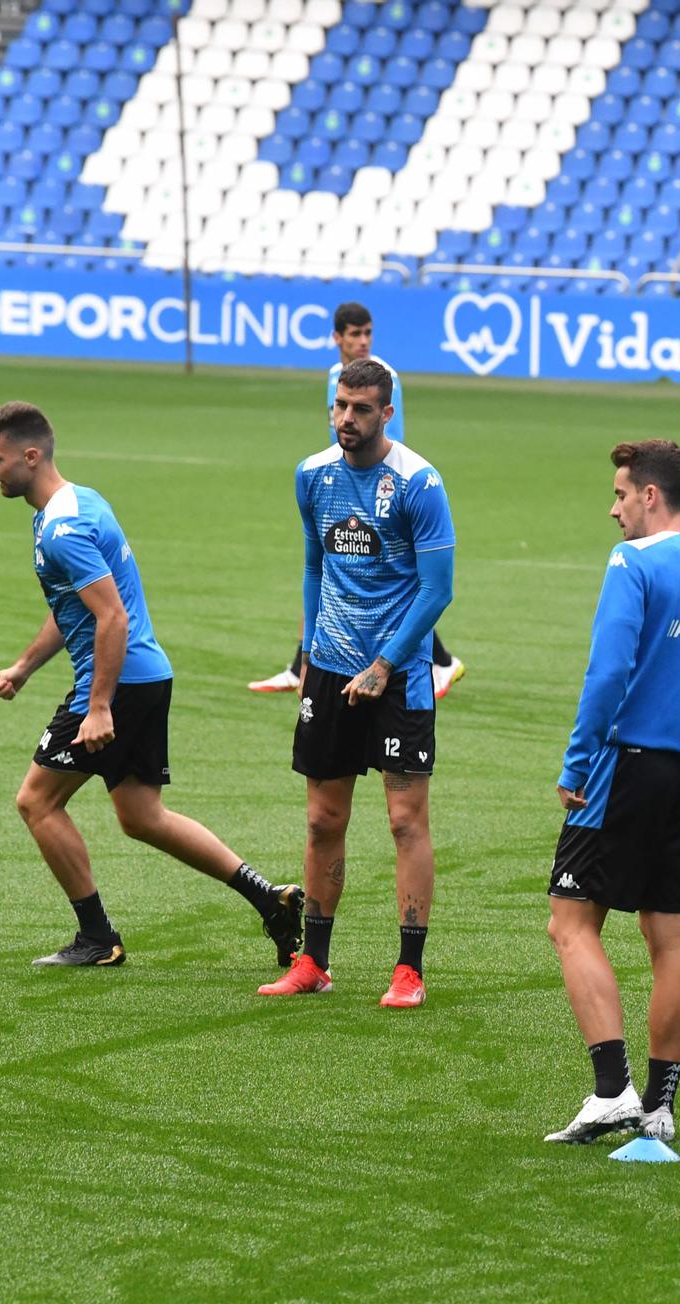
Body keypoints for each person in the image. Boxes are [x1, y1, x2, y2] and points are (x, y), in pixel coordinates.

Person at [0, 401, 303, 968]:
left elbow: (112, 618)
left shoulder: (63, 528)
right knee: (141, 816)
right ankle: (269, 899)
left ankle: (98, 938)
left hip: (117, 685)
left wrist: (98, 706)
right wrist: (25, 667)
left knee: (36, 802)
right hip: (144, 677)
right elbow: (77, 606)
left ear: (31, 456)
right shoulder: (78, 501)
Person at [544, 440, 680, 1147]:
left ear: (650, 495)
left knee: (571, 921)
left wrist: (578, 762)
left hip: (626, 765)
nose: (613, 510)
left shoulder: (633, 563)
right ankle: (662, 1105)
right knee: (669, 934)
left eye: (619, 494)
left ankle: (612, 1090)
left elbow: (607, 671)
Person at [260, 358, 455, 1005]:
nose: (347, 418)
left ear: (387, 413)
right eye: (340, 405)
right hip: (331, 670)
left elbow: (437, 590)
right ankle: (313, 961)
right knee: (322, 819)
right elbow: (314, 564)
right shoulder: (311, 476)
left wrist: (386, 663)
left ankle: (409, 969)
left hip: (399, 678)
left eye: (362, 408)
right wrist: (311, 648)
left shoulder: (418, 483)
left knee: (405, 820)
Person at [250, 302, 465, 699]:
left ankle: (434, 660)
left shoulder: (386, 377)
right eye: (355, 334)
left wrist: (374, 492)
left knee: (383, 577)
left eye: (368, 333)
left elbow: (389, 444)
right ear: (337, 338)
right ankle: (305, 660)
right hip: (341, 485)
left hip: (376, 492)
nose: (363, 341)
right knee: (333, 568)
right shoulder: (336, 377)